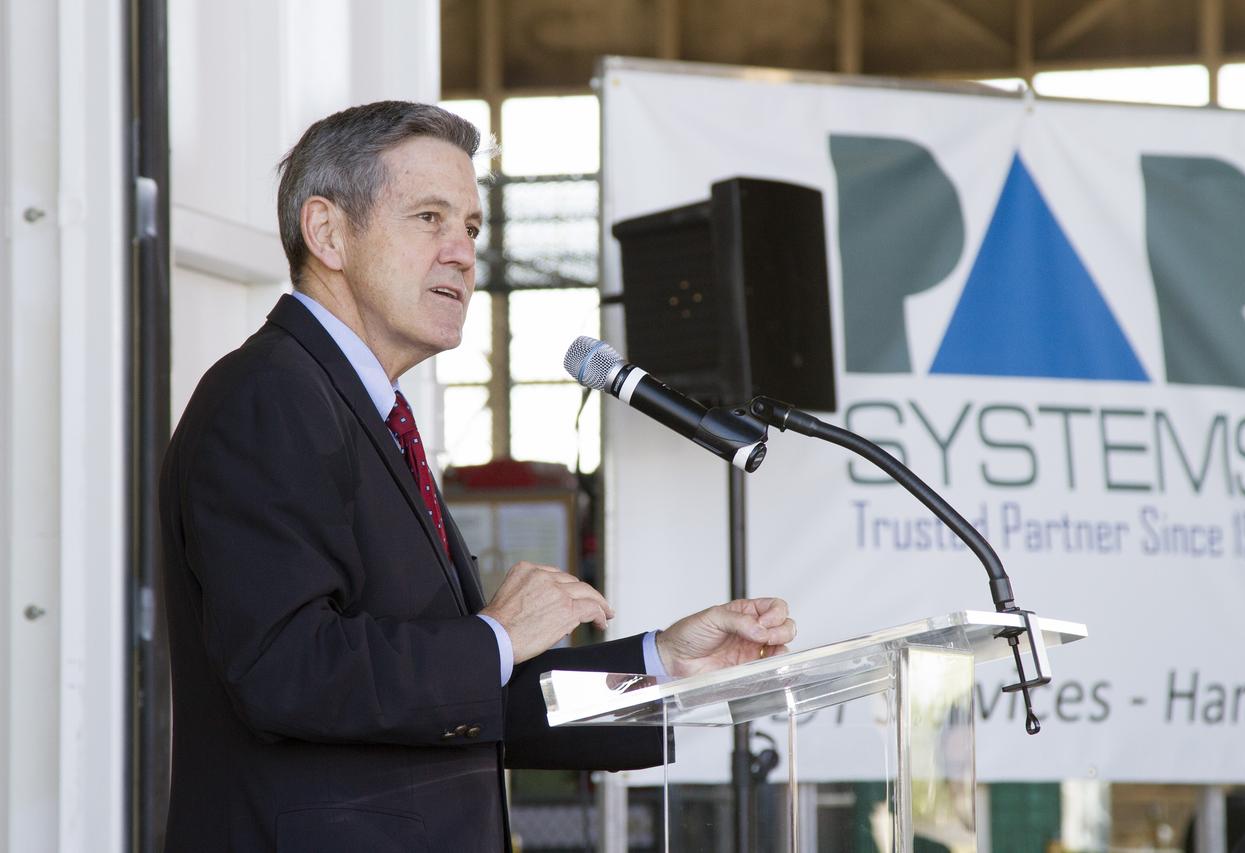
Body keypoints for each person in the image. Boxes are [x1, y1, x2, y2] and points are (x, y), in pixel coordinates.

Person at [159, 100, 796, 853]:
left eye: (470, 227)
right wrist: (495, 635)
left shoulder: (362, 407)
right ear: (327, 231)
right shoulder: (271, 396)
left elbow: (473, 697)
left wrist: (660, 666)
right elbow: (287, 670)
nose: (462, 251)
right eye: (430, 218)